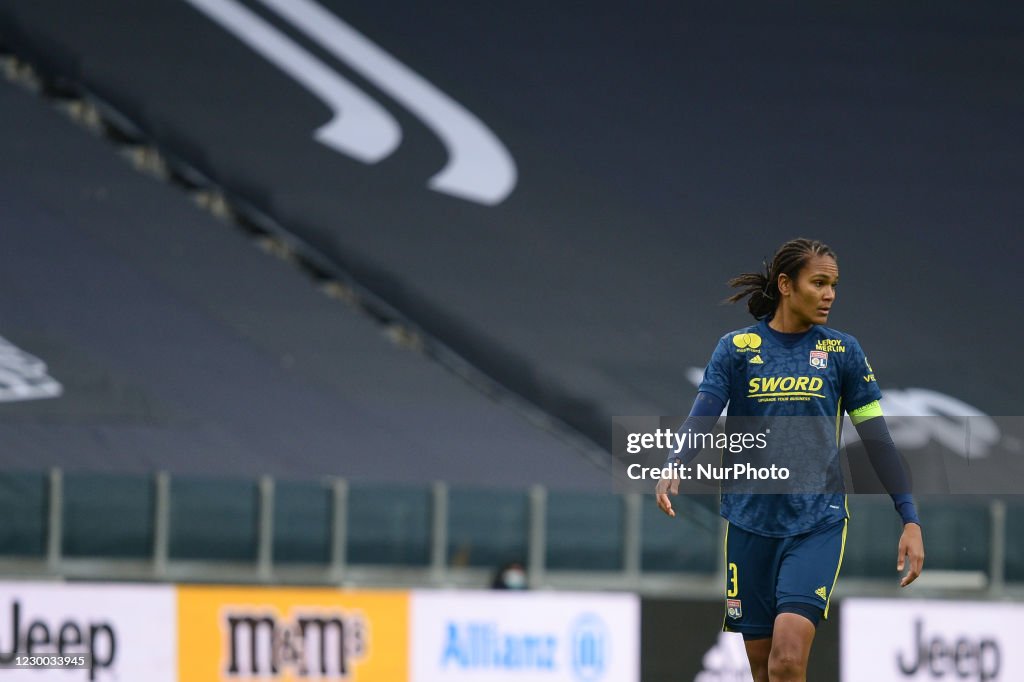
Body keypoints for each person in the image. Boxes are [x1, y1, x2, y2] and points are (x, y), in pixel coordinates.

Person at [655, 238, 924, 682]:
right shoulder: (737, 348)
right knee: (763, 671)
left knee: (786, 659)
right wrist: (676, 462)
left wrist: (909, 517)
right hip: (749, 524)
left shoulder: (842, 352)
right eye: (818, 283)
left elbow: (878, 439)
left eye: (834, 285)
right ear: (785, 284)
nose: (829, 294)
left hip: (816, 523)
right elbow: (704, 412)